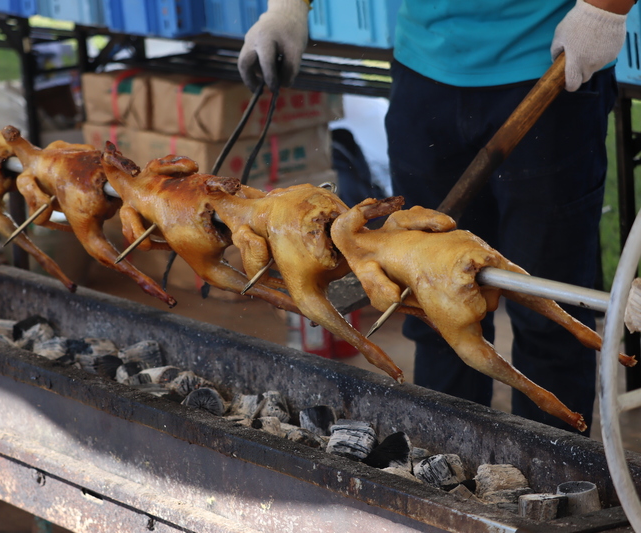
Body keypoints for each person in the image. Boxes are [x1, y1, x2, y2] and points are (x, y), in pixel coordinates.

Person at [238, 0, 632, 435]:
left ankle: (557, 468)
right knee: (431, 305)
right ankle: (449, 459)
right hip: (424, 76)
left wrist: (605, 10)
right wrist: (288, 8)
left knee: (547, 315)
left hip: (549, 69)